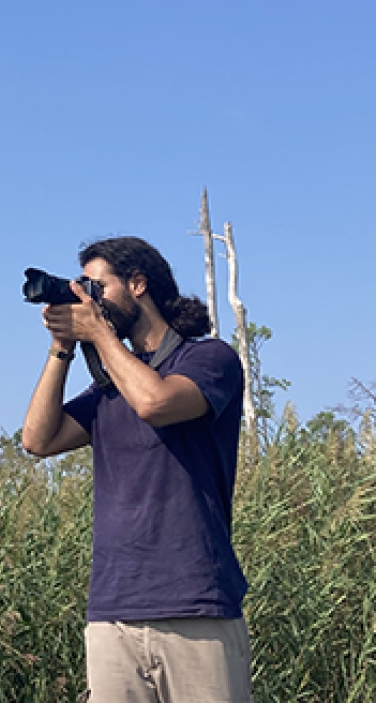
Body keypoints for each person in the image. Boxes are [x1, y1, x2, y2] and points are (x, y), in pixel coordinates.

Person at [22, 237, 252, 703]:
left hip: (196, 607)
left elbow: (155, 402)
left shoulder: (208, 359)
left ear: (138, 284)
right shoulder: (109, 388)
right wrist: (62, 347)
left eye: (97, 287)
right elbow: (37, 440)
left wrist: (101, 335)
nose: (89, 299)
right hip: (113, 611)